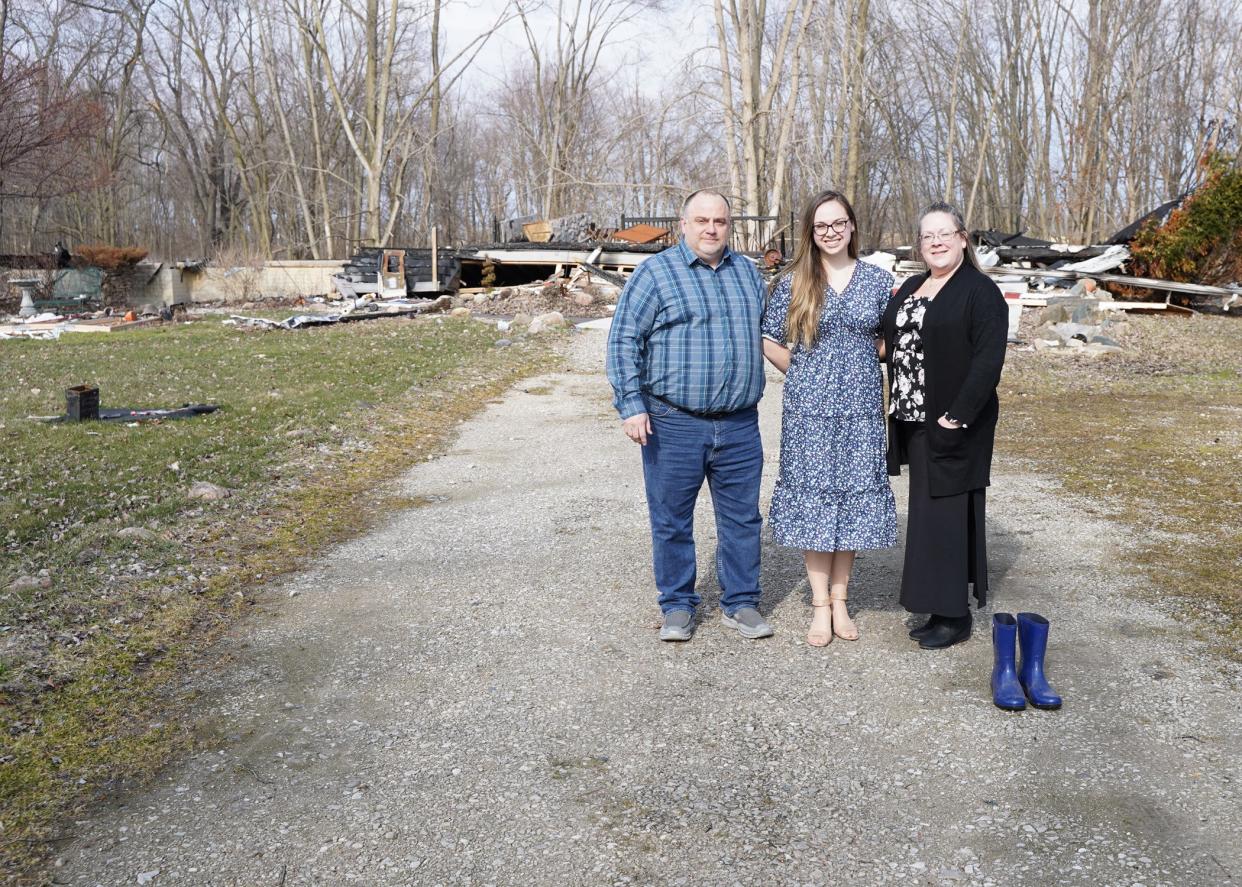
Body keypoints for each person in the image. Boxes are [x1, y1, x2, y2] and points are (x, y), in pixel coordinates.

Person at [606, 189, 772, 642]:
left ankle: (741, 602)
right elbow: (623, 340)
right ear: (684, 224)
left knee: (742, 519)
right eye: (701, 220)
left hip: (739, 423)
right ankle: (677, 604)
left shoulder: (748, 275)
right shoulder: (656, 274)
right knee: (672, 518)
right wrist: (632, 405)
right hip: (673, 422)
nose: (711, 229)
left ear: (729, 225)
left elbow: (774, 336)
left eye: (719, 221)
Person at [761, 190, 897, 647]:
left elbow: (888, 340)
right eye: (821, 226)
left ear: (852, 226)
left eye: (838, 223)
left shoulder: (878, 280)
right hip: (810, 412)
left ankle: (842, 600)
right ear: (811, 233)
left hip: (861, 410)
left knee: (852, 501)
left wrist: (858, 363)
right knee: (817, 503)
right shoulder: (797, 280)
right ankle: (820, 605)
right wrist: (803, 373)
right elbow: (769, 337)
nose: (831, 232)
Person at [880, 201, 1008, 649]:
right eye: (927, 235)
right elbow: (889, 340)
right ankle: (936, 607)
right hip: (914, 418)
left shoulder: (979, 291)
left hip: (955, 422)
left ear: (962, 239)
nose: (935, 242)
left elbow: (988, 359)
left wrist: (958, 414)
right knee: (928, 515)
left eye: (944, 233)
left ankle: (955, 616)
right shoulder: (914, 286)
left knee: (950, 515)